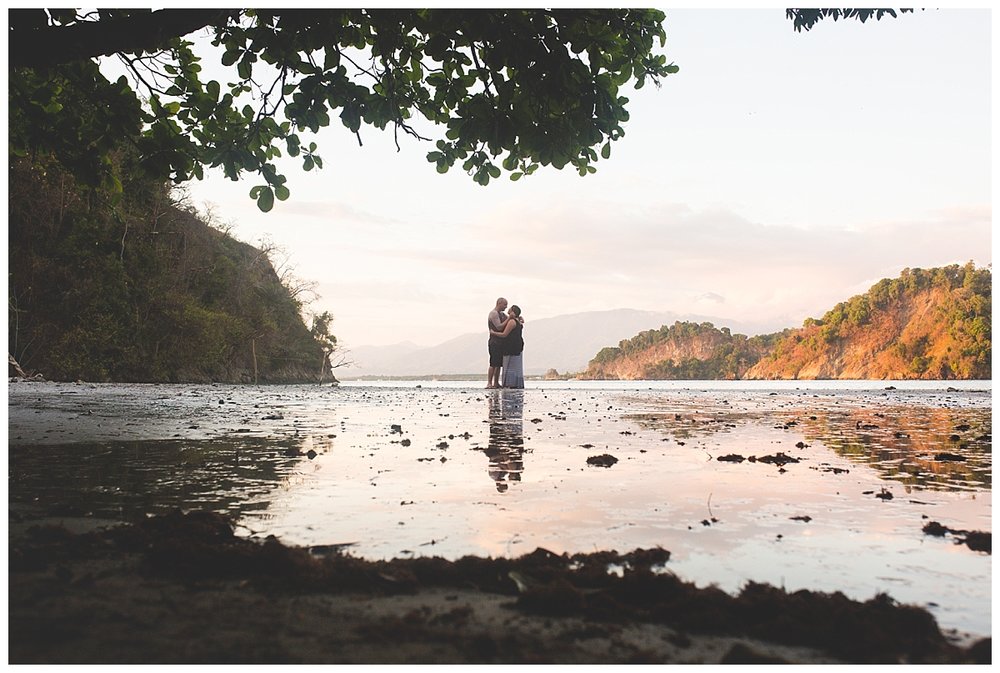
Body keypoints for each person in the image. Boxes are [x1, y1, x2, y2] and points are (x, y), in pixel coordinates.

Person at [491, 305, 524, 389]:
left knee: (509, 365)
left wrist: (494, 333)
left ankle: (509, 383)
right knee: (516, 366)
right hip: (517, 346)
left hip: (510, 347)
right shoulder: (517, 321)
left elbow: (504, 334)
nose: (507, 309)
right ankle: (515, 383)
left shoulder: (512, 322)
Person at [486, 297, 508, 389]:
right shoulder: (493, 314)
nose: (506, 307)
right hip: (494, 341)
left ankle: (496, 382)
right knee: (493, 363)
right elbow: (498, 327)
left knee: (499, 363)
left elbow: (510, 319)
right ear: (499, 303)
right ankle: (489, 382)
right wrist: (508, 319)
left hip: (501, 342)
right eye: (504, 305)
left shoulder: (502, 314)